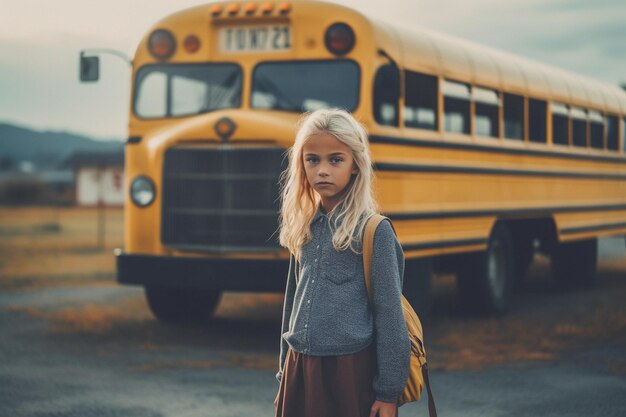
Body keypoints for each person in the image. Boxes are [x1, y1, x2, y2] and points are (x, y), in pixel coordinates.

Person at [274, 108, 410, 417]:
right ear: (301, 165)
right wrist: (284, 375)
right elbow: (291, 306)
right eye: (313, 159)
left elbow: (390, 316)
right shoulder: (304, 227)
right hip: (300, 368)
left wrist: (388, 392)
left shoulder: (374, 231)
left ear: (355, 166)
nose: (323, 170)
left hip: (347, 372)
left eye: (336, 160)